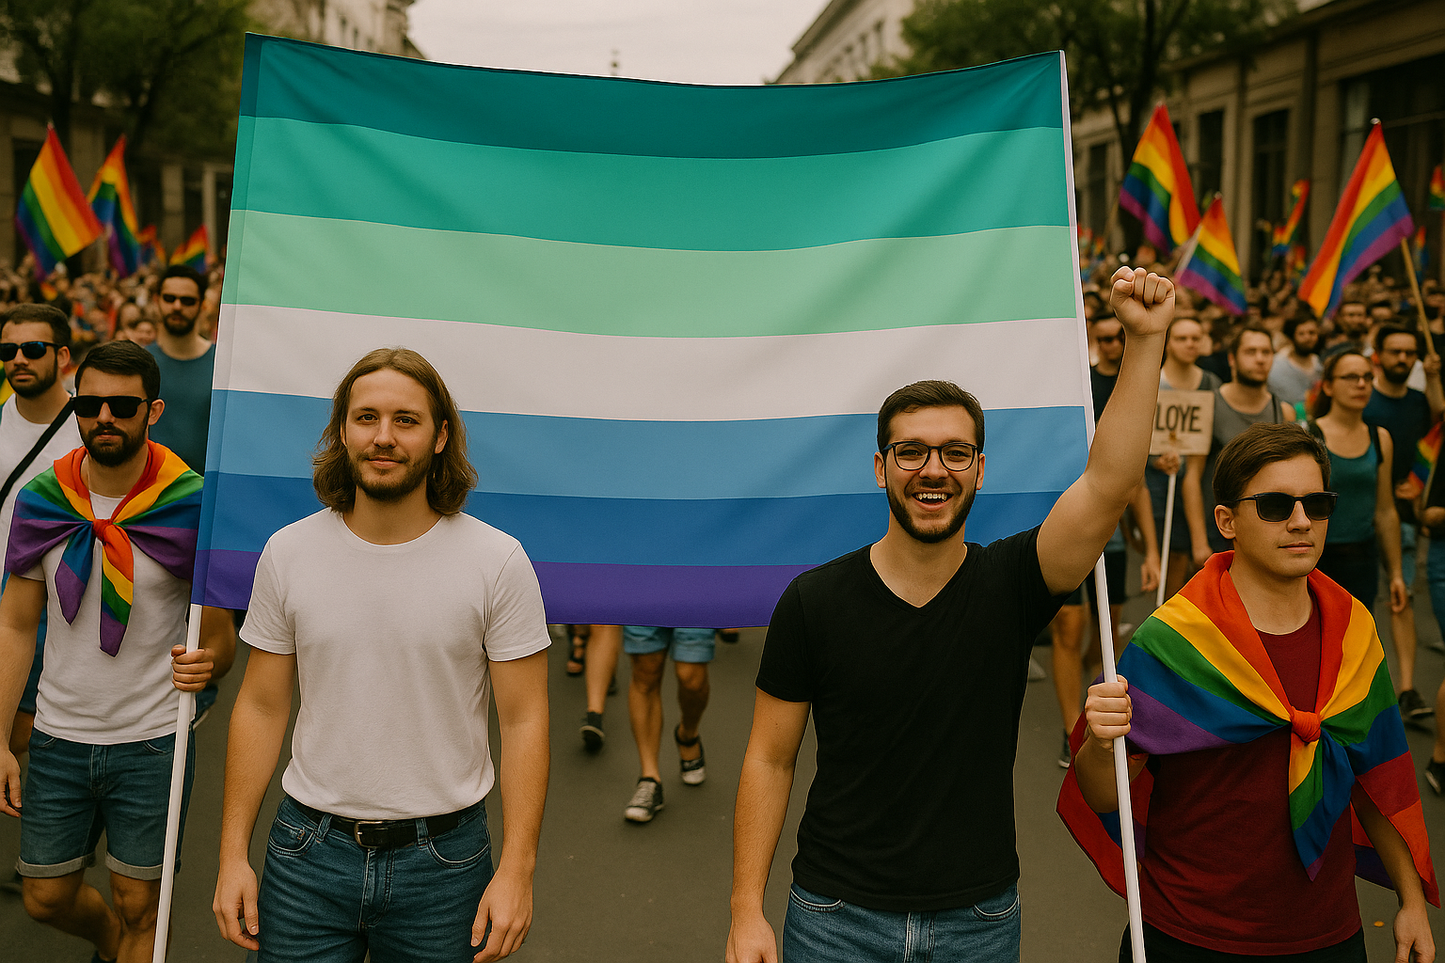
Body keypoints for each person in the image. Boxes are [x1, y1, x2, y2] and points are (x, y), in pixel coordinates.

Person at [725, 267, 1174, 963]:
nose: (932, 469)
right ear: (881, 468)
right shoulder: (813, 600)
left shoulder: (1013, 583)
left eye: (954, 453)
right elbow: (768, 758)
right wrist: (744, 909)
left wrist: (1144, 342)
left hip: (978, 920)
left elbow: (1109, 484)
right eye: (910, 452)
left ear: (980, 470)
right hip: (832, 918)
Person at [213, 347, 550, 963]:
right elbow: (260, 705)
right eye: (366, 417)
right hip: (306, 856)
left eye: (406, 420)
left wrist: (517, 870)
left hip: (445, 865)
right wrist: (232, 854)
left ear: (441, 436)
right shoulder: (287, 552)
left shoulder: (498, 561)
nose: (384, 437)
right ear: (342, 431)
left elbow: (525, 721)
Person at [1066, 422, 1438, 961]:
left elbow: (1376, 776)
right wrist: (1102, 743)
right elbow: (1105, 795)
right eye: (1274, 505)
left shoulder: (1354, 629)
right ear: (1227, 521)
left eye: (1317, 504)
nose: (1301, 521)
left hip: (1327, 935)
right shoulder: (1174, 639)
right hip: (1187, 937)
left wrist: (1411, 900)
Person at [0, 340, 234, 963]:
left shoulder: (190, 502)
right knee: (44, 897)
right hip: (57, 735)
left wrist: (209, 662)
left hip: (153, 740)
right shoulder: (42, 499)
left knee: (140, 907)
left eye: (122, 406)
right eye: (90, 404)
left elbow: (219, 636)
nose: (104, 417)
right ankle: (107, 946)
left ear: (153, 411)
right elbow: (16, 625)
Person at [1049, 313, 1159, 767]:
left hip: (1110, 536)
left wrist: (1151, 550)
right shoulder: (1074, 387)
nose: (1114, 344)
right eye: (1106, 338)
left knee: (1106, 637)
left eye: (1120, 337)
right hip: (1063, 525)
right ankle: (1070, 729)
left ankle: (1092, 711)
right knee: (1068, 628)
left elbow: (1136, 480)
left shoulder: (1132, 386)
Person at [0, 306, 82, 759]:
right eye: (7, 351)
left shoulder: (90, 429)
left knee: (22, 731)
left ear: (62, 356)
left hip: (53, 605)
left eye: (32, 349)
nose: (18, 360)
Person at [1364, 324, 1442, 727]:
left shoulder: (1418, 402)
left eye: (1409, 352)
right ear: (1378, 354)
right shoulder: (1364, 399)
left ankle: (1407, 689)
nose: (1403, 359)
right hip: (1361, 517)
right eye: (1395, 351)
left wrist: (1419, 484)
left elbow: (1437, 434)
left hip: (1404, 520)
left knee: (1401, 596)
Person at [1308, 350, 1409, 622]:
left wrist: (1396, 573)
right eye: (1351, 377)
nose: (1361, 384)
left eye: (1367, 377)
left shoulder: (1379, 437)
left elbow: (1385, 510)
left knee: (1358, 634)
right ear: (1328, 386)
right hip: (1316, 559)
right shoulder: (1309, 436)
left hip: (1362, 558)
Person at [1198, 326, 1295, 558]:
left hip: (1267, 524)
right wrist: (1198, 540)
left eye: (1266, 352)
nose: (1260, 359)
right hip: (1218, 526)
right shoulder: (1209, 405)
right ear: (1232, 359)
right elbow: (1192, 477)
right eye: (1251, 352)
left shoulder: (1283, 411)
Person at [1148, 316, 1220, 599]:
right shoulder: (1152, 381)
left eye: (1195, 338)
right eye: (1182, 338)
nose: (1190, 344)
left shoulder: (1210, 383)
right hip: (1157, 486)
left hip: (1199, 484)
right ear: (1168, 343)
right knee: (1171, 559)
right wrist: (1153, 460)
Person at [618, 625, 713, 822]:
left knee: (692, 678)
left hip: (694, 603)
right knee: (645, 670)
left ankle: (687, 735)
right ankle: (649, 778)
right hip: (644, 603)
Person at [145, 265, 214, 474]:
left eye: (187, 301)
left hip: (205, 485)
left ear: (202, 305)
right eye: (169, 298)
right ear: (156, 300)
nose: (177, 306)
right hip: (149, 486)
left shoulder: (222, 364)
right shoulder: (139, 362)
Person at [1266, 314, 1321, 410]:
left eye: (1311, 333)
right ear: (1291, 338)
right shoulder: (1275, 366)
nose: (1307, 338)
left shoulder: (1319, 365)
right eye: (1301, 334)